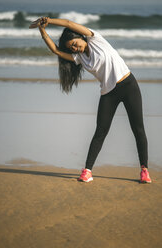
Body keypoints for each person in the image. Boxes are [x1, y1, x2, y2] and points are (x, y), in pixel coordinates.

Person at [29, 17, 152, 183]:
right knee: (100, 132)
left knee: (137, 129)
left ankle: (144, 171)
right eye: (71, 48)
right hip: (108, 93)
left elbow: (69, 24)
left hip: (129, 85)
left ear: (80, 37)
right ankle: (87, 171)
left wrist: (48, 21)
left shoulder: (96, 39)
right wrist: (42, 31)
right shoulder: (80, 58)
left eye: (74, 43)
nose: (74, 48)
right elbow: (56, 51)